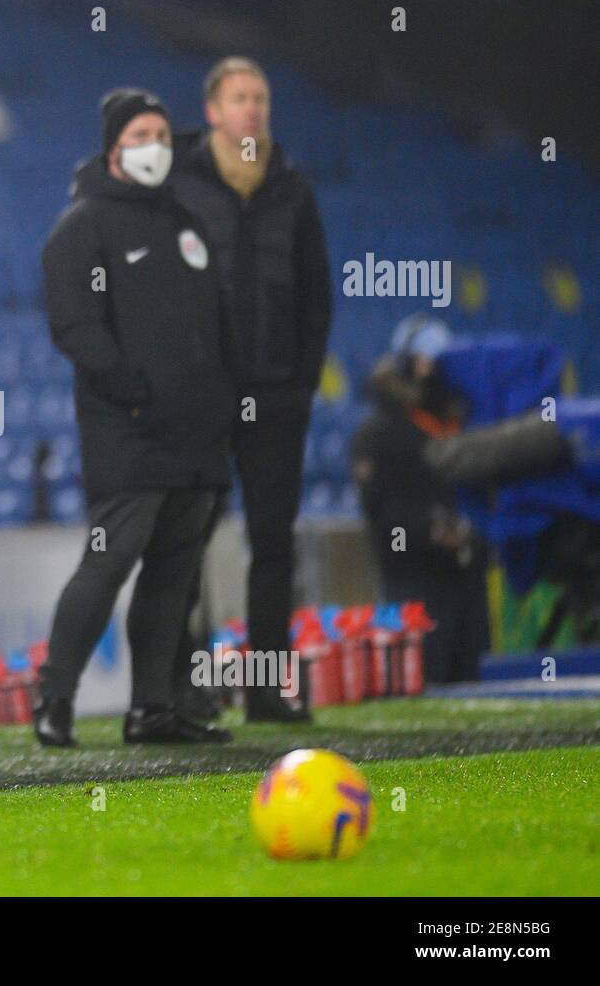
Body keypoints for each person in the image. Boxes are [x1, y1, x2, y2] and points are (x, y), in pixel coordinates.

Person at [36, 88, 235, 747]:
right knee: (108, 561)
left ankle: (153, 707)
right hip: (129, 433)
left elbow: (216, 323)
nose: (157, 146)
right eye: (142, 134)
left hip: (197, 435)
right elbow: (73, 325)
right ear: (114, 148)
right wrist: (132, 388)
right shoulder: (83, 224)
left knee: (175, 576)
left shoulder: (188, 224)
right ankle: (54, 701)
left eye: (163, 134)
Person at [170, 57, 331, 723]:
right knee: (185, 540)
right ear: (213, 110)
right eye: (240, 98)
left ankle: (266, 690)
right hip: (202, 396)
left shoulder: (292, 187)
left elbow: (317, 295)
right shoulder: (179, 182)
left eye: (261, 97)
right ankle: (181, 688)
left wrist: (299, 387)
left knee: (274, 541)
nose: (253, 109)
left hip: (275, 398)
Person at [352, 316, 489, 684]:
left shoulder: (465, 423)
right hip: (414, 579)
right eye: (425, 360)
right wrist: (430, 531)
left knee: (474, 681)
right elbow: (381, 514)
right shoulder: (378, 434)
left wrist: (470, 536)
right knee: (426, 677)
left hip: (466, 575)